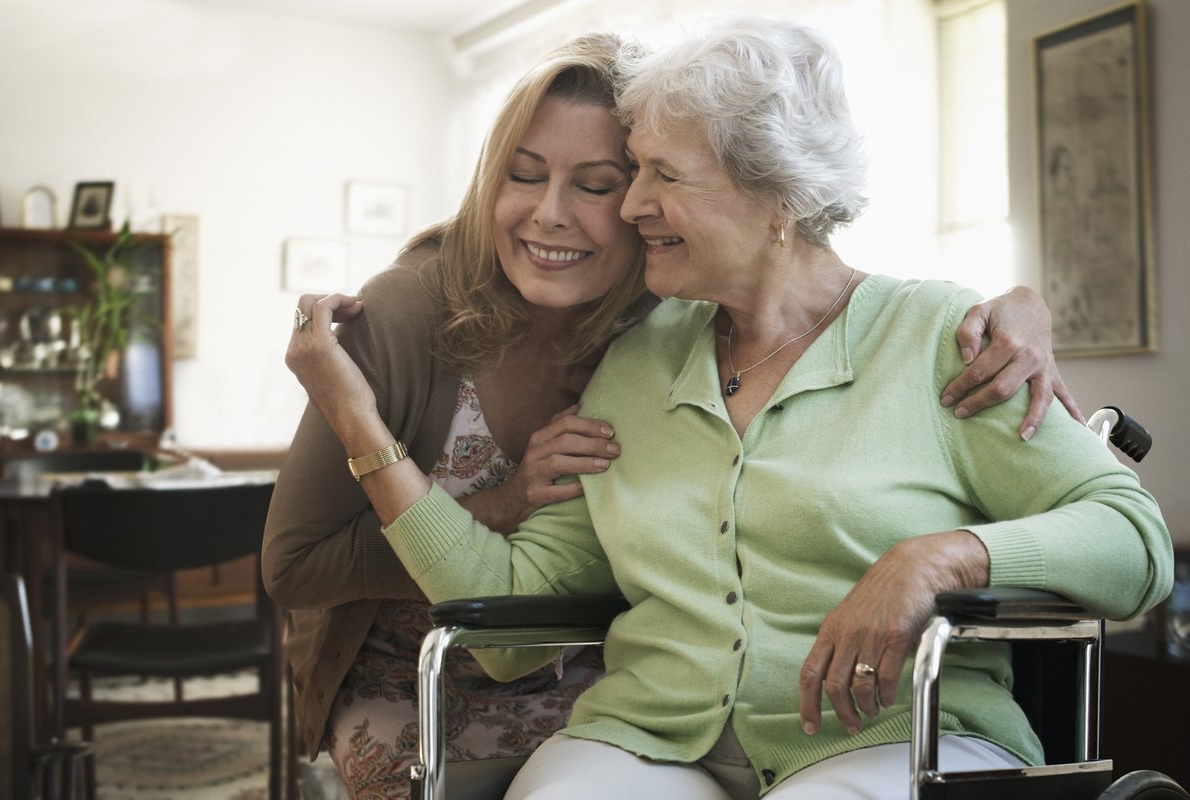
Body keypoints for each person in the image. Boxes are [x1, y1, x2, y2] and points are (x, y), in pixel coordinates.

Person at [267, 25, 1092, 800]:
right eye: (632, 174)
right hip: (645, 723)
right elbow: (507, 619)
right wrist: (365, 424)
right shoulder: (636, 358)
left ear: (779, 193)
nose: (627, 207)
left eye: (644, 178)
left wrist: (939, 558)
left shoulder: (932, 337)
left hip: (882, 731)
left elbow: (1126, 530)